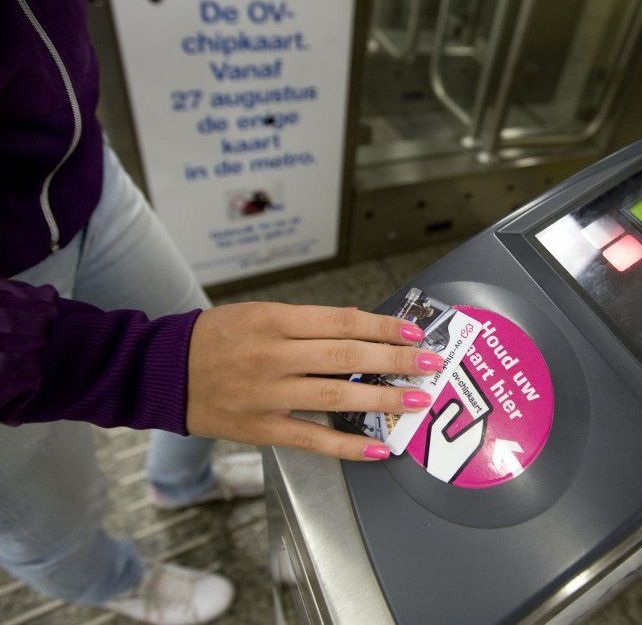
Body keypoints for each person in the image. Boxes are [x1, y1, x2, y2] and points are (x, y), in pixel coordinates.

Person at [0, 3, 444, 623]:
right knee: (48, 497)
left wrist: (178, 367)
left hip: (78, 175)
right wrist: (137, 366)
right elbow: (155, 367)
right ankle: (111, 581)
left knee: (208, 346)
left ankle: (182, 485)